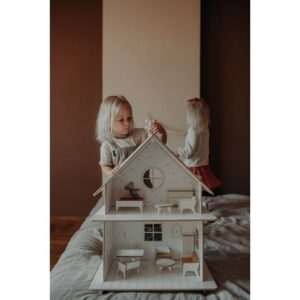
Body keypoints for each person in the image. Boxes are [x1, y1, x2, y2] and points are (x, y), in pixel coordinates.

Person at [96, 95, 167, 176]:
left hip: (143, 185)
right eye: (121, 120)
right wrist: (111, 172)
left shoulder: (140, 134)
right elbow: (105, 166)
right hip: (121, 186)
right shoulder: (108, 145)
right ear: (108, 122)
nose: (127, 123)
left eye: (129, 118)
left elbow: (160, 145)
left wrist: (161, 130)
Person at [176, 97, 221, 190]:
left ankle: (195, 203)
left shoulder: (193, 130)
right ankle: (199, 202)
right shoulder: (204, 128)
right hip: (202, 164)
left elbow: (189, 152)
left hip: (194, 166)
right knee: (198, 189)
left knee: (191, 189)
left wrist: (178, 151)